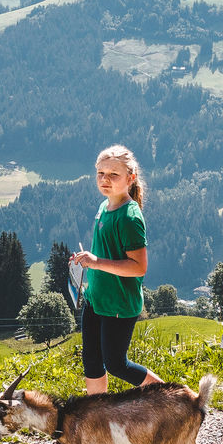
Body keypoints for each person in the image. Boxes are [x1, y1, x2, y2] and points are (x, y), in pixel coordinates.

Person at [70, 144, 162, 394]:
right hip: (97, 298)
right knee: (91, 360)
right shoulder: (105, 206)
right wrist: (85, 261)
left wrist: (96, 262)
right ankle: (97, 419)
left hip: (119, 306)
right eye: (100, 173)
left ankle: (172, 396)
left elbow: (139, 267)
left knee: (116, 364)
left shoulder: (130, 217)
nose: (104, 180)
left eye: (113, 174)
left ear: (130, 179)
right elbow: (104, 252)